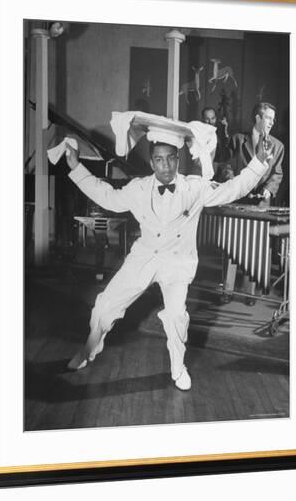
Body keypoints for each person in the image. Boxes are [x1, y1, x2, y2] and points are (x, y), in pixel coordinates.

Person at [65, 131, 272, 391]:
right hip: (144, 257)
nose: (165, 166)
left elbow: (232, 189)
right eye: (159, 160)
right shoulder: (138, 188)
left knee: (175, 316)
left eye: (170, 159)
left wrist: (259, 163)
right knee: (105, 307)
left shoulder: (194, 187)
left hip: (177, 262)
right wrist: (76, 167)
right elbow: (107, 196)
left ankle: (178, 368)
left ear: (178, 160)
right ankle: (88, 350)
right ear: (152, 163)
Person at [227, 102, 284, 206]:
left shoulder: (278, 146)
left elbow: (277, 173)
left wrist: (268, 189)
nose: (272, 123)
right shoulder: (237, 139)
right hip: (237, 200)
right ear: (258, 118)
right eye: (268, 118)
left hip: (261, 203)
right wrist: (233, 185)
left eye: (273, 119)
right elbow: (227, 167)